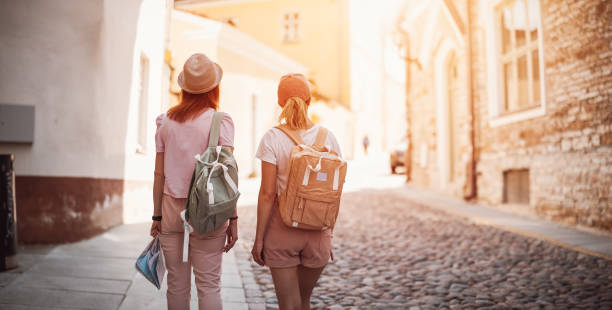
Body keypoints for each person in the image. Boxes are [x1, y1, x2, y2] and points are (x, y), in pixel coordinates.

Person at [150, 53, 238, 310]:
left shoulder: (166, 122)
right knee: (209, 285)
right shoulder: (220, 122)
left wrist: (157, 217)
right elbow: (227, 176)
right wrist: (232, 218)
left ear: (184, 89)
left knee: (176, 285)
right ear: (214, 87)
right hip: (210, 211)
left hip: (170, 211)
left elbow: (159, 175)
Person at [252, 73, 342, 310]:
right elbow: (335, 191)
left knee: (288, 305)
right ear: (310, 101)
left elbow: (267, 194)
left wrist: (260, 238)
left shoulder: (273, 138)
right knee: (304, 301)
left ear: (280, 103)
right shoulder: (328, 137)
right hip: (318, 232)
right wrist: (328, 234)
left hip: (283, 229)